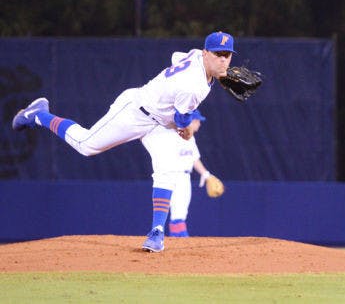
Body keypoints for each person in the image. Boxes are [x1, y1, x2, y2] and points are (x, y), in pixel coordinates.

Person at [11, 31, 236, 253]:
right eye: (218, 54)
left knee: (168, 168)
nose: (224, 59)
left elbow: (176, 57)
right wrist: (186, 132)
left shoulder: (195, 55)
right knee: (86, 145)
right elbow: (181, 122)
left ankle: (157, 231)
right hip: (136, 112)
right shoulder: (192, 87)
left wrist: (218, 75)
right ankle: (39, 115)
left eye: (227, 54)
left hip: (158, 122)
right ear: (206, 53)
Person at [160, 109, 219, 238]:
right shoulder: (173, 135)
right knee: (178, 211)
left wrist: (206, 174)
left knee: (180, 211)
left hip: (184, 176)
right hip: (172, 175)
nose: (199, 124)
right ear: (190, 121)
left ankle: (177, 238)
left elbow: (194, 159)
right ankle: (182, 239)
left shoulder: (190, 138)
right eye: (197, 121)